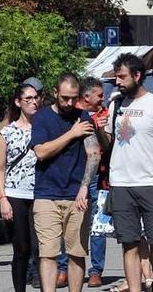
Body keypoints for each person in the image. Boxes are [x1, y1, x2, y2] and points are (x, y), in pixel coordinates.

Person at [104, 53, 153, 292]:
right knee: (129, 243)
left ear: (137, 76)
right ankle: (135, 288)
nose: (117, 81)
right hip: (121, 183)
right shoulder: (115, 105)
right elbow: (108, 143)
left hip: (151, 182)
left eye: (122, 76)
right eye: (116, 76)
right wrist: (99, 131)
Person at [30, 74, 101, 292]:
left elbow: (94, 154)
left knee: (77, 253)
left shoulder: (84, 118)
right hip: (46, 194)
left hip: (75, 194)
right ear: (54, 93)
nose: (69, 103)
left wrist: (83, 188)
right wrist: (71, 134)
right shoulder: (42, 118)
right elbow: (41, 152)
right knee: (48, 253)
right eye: (64, 98)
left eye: (73, 98)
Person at [0, 84, 40, 292]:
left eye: (36, 97)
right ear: (18, 102)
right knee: (21, 248)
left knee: (40, 248)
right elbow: (0, 167)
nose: (34, 102)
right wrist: (2, 198)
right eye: (28, 98)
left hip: (41, 192)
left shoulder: (44, 126)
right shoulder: (7, 132)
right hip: (15, 193)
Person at [76, 77, 110, 287]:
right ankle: (64, 267)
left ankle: (96, 270)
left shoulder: (104, 114)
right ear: (86, 97)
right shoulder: (72, 113)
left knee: (98, 224)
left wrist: (100, 129)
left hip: (98, 173)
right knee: (71, 220)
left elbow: (108, 144)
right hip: (72, 173)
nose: (102, 98)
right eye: (99, 95)